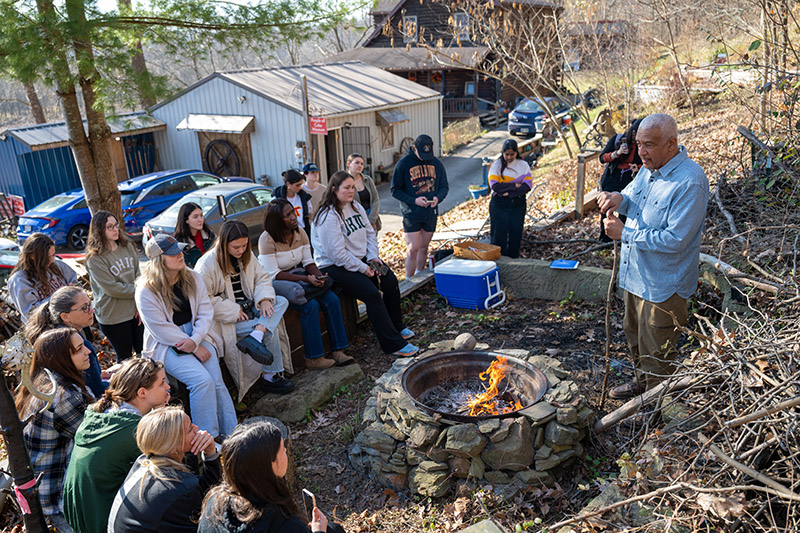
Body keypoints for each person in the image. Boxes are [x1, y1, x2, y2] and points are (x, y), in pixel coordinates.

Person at [598, 113, 709, 399]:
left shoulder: (690, 182)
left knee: (658, 348)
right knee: (634, 336)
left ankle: (655, 406)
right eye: (639, 144)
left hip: (663, 286)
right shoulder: (649, 168)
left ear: (671, 144)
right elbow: (632, 196)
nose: (641, 152)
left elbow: (675, 241)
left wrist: (625, 234)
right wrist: (617, 198)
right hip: (636, 275)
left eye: (649, 145)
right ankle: (641, 384)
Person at [135, 233, 238, 438]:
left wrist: (196, 339)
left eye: (180, 250)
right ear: (159, 261)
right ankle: (204, 438)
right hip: (165, 344)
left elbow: (205, 312)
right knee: (201, 381)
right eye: (173, 254)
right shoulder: (145, 290)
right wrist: (193, 345)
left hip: (196, 335)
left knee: (216, 380)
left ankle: (231, 432)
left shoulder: (191, 276)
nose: (180, 255)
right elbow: (159, 329)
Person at [313, 171, 418, 357]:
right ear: (334, 189)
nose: (351, 191)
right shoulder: (328, 216)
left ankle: (396, 325)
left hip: (361, 259)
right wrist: (364, 269)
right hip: (333, 267)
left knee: (390, 281)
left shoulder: (355, 206)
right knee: (371, 294)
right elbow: (338, 256)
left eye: (352, 187)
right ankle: (393, 345)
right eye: (346, 188)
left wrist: (373, 258)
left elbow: (370, 233)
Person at [63, 357, 171, 533]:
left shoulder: (101, 413)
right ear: (142, 393)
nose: (168, 388)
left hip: (79, 512)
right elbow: (172, 461)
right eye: (162, 383)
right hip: (102, 519)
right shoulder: (133, 430)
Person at [196, 220, 294, 397]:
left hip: (252, 308)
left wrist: (264, 298)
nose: (241, 250)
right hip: (229, 319)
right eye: (236, 247)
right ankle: (271, 377)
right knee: (271, 332)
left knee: (280, 301)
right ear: (224, 243)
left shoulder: (247, 256)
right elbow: (203, 301)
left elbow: (262, 277)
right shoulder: (207, 265)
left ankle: (257, 333)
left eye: (244, 245)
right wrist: (233, 311)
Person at [198, 420, 344, 533]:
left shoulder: (213, 503)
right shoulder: (283, 524)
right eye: (282, 450)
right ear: (270, 465)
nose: (286, 450)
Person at [259, 199, 353, 370]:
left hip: (300, 278)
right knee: (310, 306)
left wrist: (318, 276)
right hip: (278, 283)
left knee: (332, 299)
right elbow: (274, 274)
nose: (293, 217)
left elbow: (308, 262)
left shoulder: (299, 232)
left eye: (292, 212)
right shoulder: (266, 240)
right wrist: (307, 279)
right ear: (276, 220)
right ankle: (314, 358)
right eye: (287, 215)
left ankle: (338, 350)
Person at [15, 328, 93, 531]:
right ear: (61, 358)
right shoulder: (62, 396)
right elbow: (97, 436)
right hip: (56, 499)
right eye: (79, 349)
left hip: (44, 489)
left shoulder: (44, 382)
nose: (88, 351)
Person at [107, 405, 221, 532]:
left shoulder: (144, 460)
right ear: (173, 445)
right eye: (189, 429)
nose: (196, 428)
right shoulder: (177, 487)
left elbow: (200, 489)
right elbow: (212, 502)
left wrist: (209, 453)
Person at [26, 285, 107, 398]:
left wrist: (102, 375)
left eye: (90, 304)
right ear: (65, 317)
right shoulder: (80, 346)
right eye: (84, 308)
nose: (91, 310)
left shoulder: (52, 340)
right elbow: (96, 390)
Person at [85, 210, 144, 362]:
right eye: (109, 227)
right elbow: (113, 289)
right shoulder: (95, 259)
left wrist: (140, 303)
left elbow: (138, 274)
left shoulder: (127, 246)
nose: (115, 229)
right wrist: (142, 291)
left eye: (116, 225)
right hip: (113, 315)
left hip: (135, 311)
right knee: (125, 359)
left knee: (144, 353)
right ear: (99, 230)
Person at [391, 134, 449, 278]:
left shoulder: (436, 163)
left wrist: (437, 198)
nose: (425, 157)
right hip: (411, 212)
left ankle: (419, 275)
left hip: (430, 212)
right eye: (422, 153)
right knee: (412, 249)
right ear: (414, 148)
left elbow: (444, 186)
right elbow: (394, 190)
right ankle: (408, 280)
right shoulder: (403, 164)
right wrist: (413, 200)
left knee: (423, 248)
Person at [9, 232, 78, 321]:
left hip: (70, 321)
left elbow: (74, 281)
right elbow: (30, 314)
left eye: (53, 255)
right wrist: (60, 296)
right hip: (47, 330)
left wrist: (75, 289)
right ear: (32, 256)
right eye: (47, 257)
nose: (52, 260)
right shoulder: (19, 280)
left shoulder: (58, 266)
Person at [598, 119, 643, 242]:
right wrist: (616, 153)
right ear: (632, 132)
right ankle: (605, 238)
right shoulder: (617, 139)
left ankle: (622, 238)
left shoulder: (642, 145)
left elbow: (647, 165)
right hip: (612, 177)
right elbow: (602, 158)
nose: (636, 138)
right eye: (635, 135)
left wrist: (637, 168)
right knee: (606, 207)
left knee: (626, 209)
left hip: (629, 179)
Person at [488, 139, 533, 258]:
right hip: (499, 205)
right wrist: (514, 186)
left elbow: (527, 185)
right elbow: (495, 185)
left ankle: (514, 259)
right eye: (506, 154)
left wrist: (509, 193)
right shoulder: (496, 165)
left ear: (516, 153)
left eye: (512, 154)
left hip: (517, 204)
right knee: (499, 234)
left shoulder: (523, 165)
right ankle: (499, 259)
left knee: (515, 234)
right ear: (502, 153)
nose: (509, 157)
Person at [174, 202, 217, 269]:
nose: (200, 220)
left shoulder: (209, 235)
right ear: (186, 220)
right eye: (195, 217)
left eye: (201, 215)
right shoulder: (180, 243)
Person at [346, 153, 382, 232]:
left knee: (372, 243)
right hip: (354, 220)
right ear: (348, 164)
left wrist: (371, 220)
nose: (360, 166)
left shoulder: (367, 180)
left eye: (362, 164)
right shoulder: (344, 182)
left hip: (371, 216)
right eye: (357, 163)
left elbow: (376, 199)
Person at [273, 169, 313, 238]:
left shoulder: (303, 197)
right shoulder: (277, 200)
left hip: (303, 233)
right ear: (288, 184)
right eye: (297, 185)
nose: (300, 188)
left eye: (301, 184)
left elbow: (310, 213)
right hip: (286, 234)